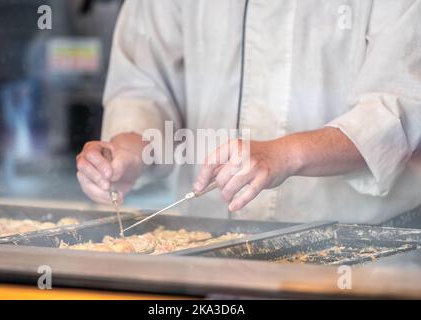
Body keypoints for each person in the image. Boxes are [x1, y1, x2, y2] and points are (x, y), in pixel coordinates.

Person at [77, 0, 421, 224]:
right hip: (212, 253)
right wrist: (127, 150)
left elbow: (399, 110)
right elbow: (144, 85)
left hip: (359, 257)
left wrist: (285, 154)